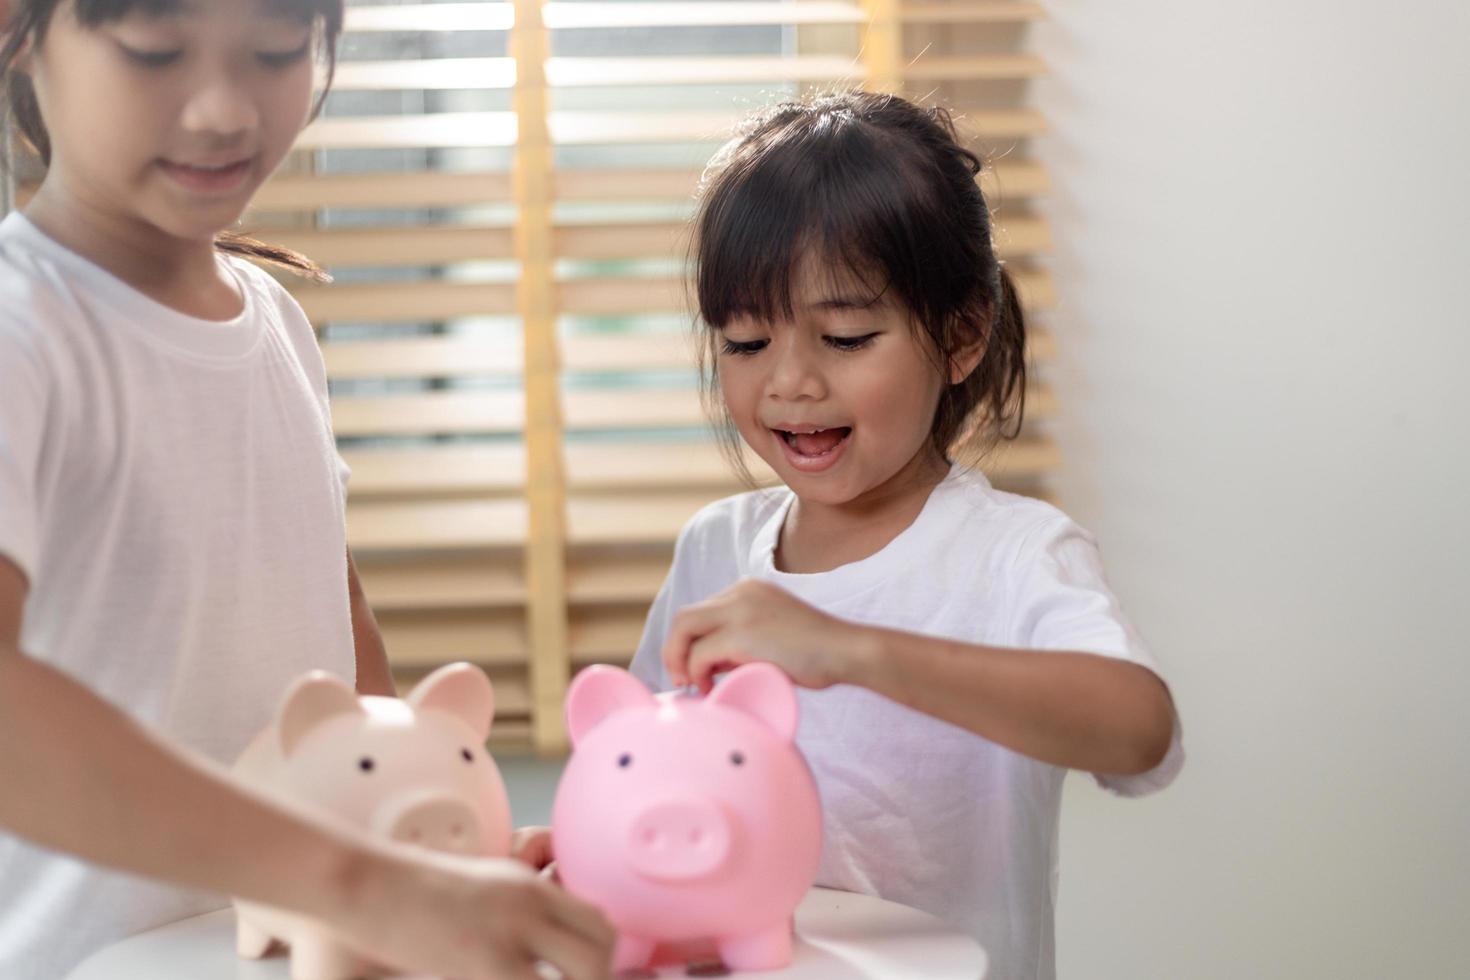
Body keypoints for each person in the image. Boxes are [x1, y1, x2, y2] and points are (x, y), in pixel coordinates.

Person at [0, 0, 612, 976]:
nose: (224, 111)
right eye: (157, 51)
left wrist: (433, 856)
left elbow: (333, 612)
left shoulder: (277, 322)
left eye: (278, 50)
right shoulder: (22, 330)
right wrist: (362, 880)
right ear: (20, 28)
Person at [626, 92, 1185, 980]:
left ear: (960, 336)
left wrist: (849, 649)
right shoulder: (715, 550)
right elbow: (644, 778)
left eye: (845, 336)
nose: (790, 382)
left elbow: (1139, 731)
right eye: (745, 341)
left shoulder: (1013, 556)